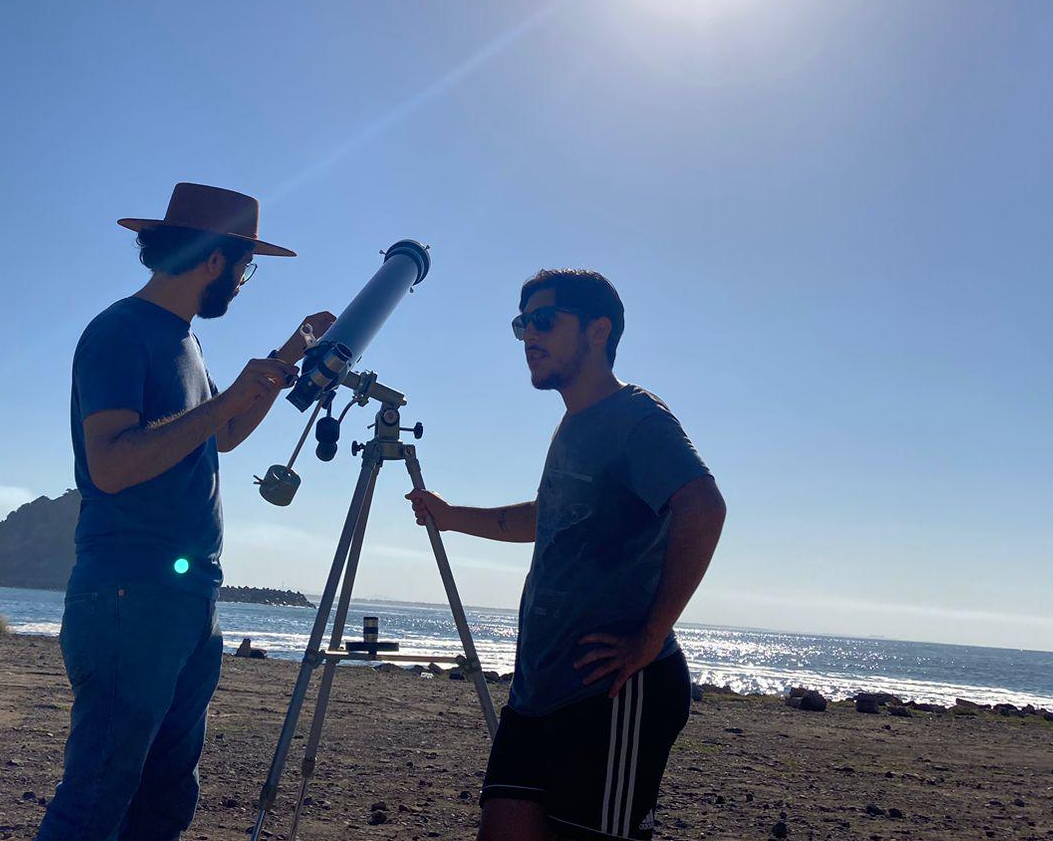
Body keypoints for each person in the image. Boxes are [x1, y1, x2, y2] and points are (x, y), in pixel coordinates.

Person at [37, 182, 334, 841]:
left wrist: (288, 356)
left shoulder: (184, 341)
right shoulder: (120, 331)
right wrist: (224, 403)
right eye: (244, 268)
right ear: (212, 262)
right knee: (97, 797)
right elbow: (111, 466)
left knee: (165, 800)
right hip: (129, 595)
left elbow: (219, 437)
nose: (242, 282)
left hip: (187, 596)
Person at [408, 269, 726, 841]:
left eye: (545, 320)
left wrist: (652, 634)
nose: (529, 335)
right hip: (539, 690)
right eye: (522, 323)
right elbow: (547, 517)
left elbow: (703, 506)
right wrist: (454, 518)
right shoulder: (575, 424)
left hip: (612, 691)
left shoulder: (636, 417)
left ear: (598, 330)